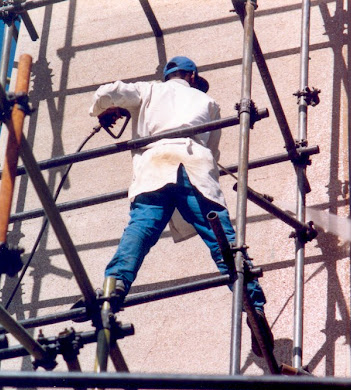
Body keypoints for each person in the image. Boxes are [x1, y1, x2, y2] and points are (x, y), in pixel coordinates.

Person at [86, 56, 272, 356]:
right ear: (194, 76)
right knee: (221, 239)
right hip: (195, 166)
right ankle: (254, 306)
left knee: (141, 230)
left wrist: (106, 109)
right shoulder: (208, 101)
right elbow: (211, 147)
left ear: (168, 75)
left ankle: (115, 286)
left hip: (156, 165)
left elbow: (106, 92)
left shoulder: (148, 91)